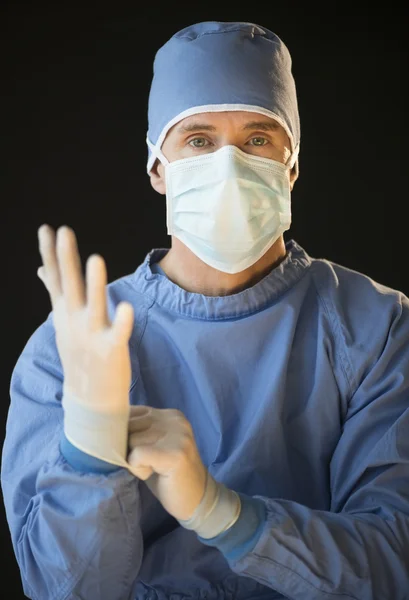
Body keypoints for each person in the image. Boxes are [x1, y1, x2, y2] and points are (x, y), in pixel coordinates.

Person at [1, 20, 409, 600]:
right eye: (198, 140)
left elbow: (396, 564)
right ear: (157, 168)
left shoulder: (377, 329)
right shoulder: (75, 344)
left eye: (258, 140)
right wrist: (89, 448)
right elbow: (59, 590)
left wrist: (224, 514)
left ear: (291, 166)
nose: (229, 165)